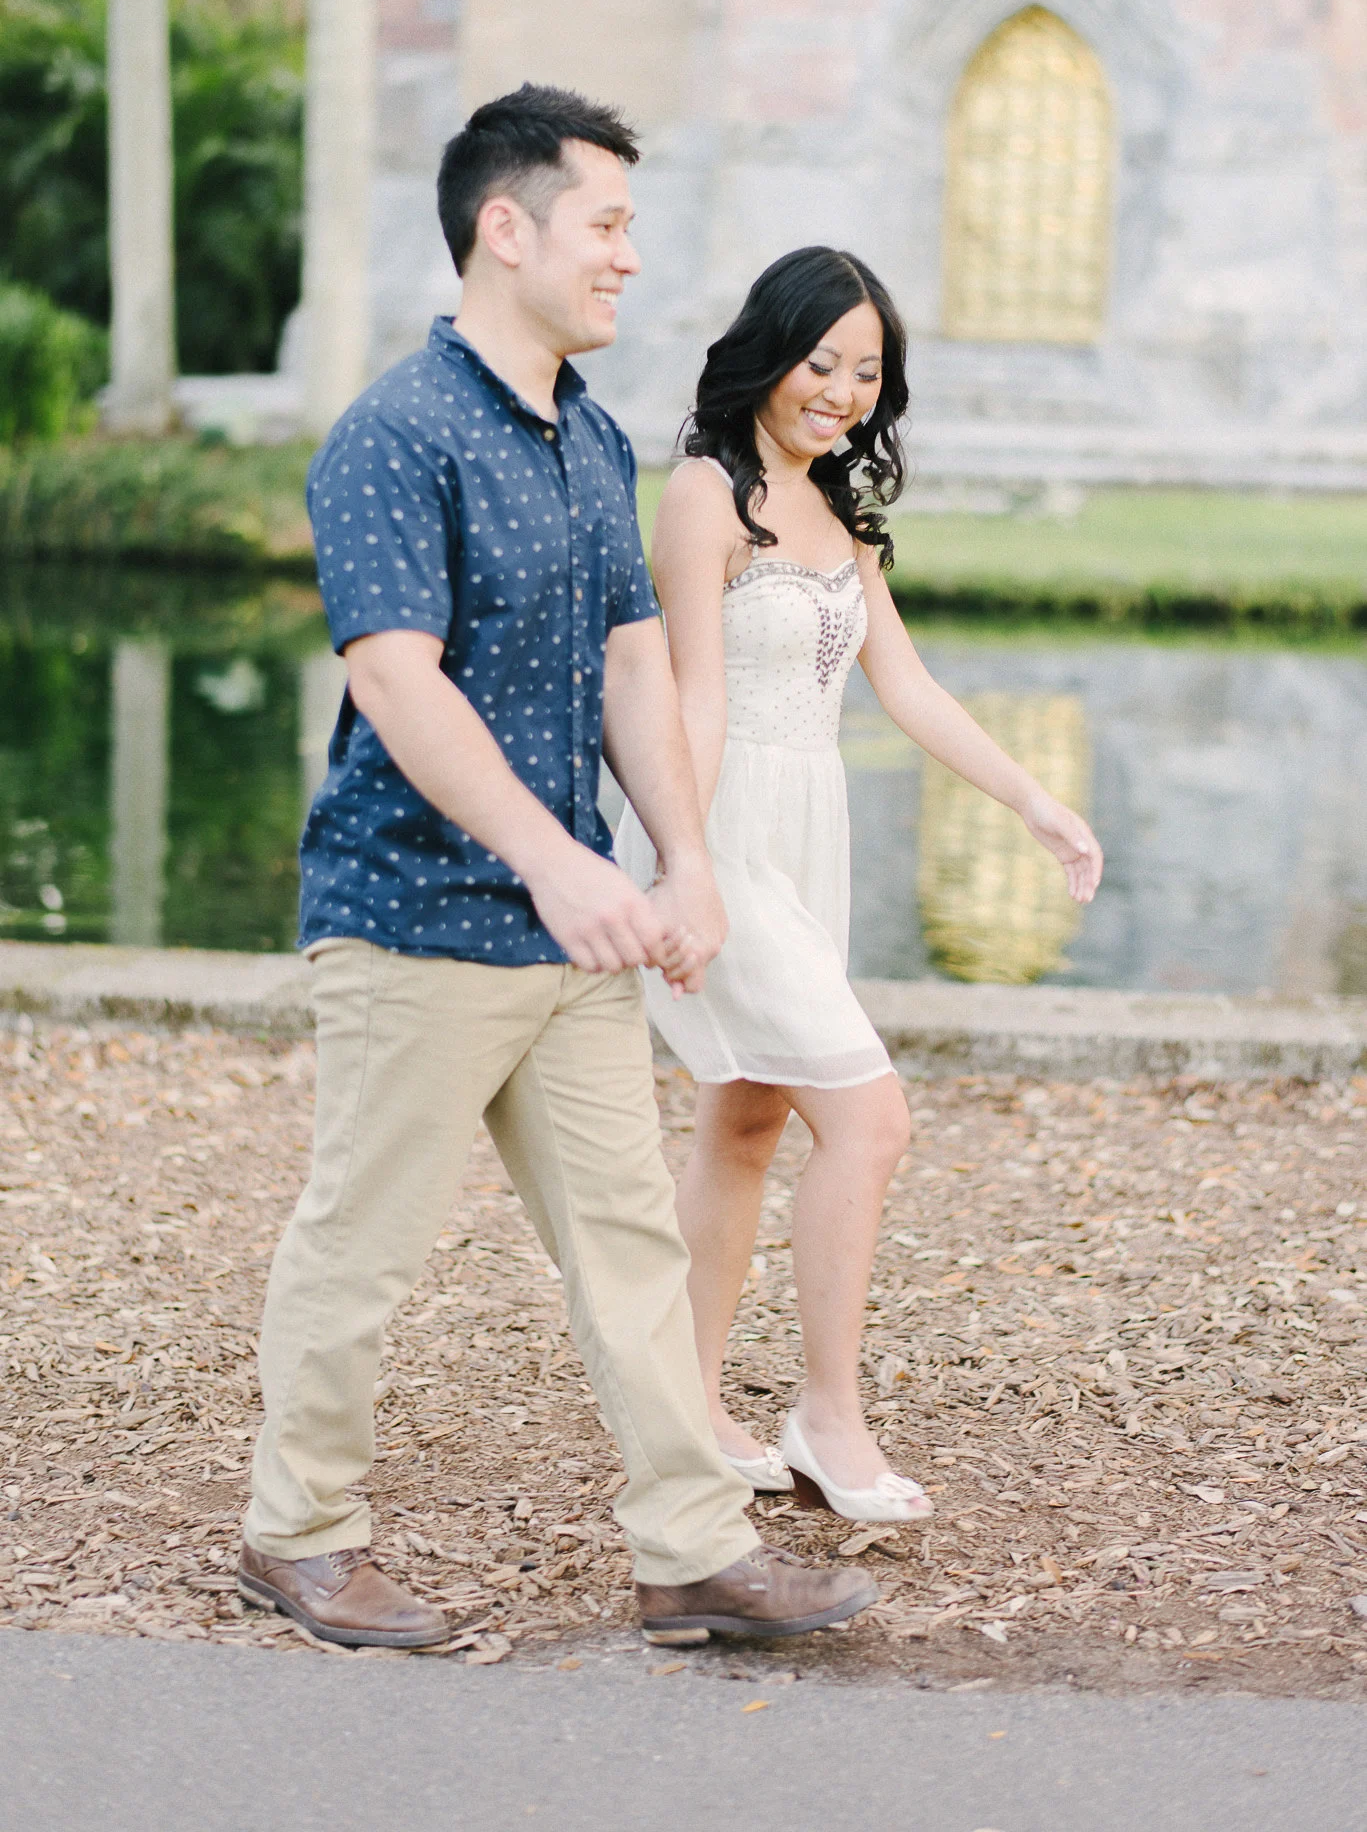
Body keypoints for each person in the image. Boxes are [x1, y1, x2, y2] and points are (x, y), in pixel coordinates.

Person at [235, 92, 877, 1649]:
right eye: (605, 224)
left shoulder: (589, 436)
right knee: (362, 1244)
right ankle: (295, 1536)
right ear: (503, 228)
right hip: (414, 920)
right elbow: (394, 676)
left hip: (573, 926)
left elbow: (633, 663)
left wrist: (679, 861)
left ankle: (690, 1552)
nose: (627, 257)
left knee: (629, 1246)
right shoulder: (395, 432)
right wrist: (550, 861)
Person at [615, 247, 1104, 1523]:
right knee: (871, 1120)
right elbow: (691, 698)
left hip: (804, 836)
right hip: (723, 827)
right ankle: (826, 1416)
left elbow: (907, 685)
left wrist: (1034, 801)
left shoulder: (836, 506)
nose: (838, 391)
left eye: (865, 372)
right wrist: (679, 864)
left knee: (744, 1119)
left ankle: (686, 1406)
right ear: (767, 353)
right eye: (819, 361)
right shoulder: (703, 494)